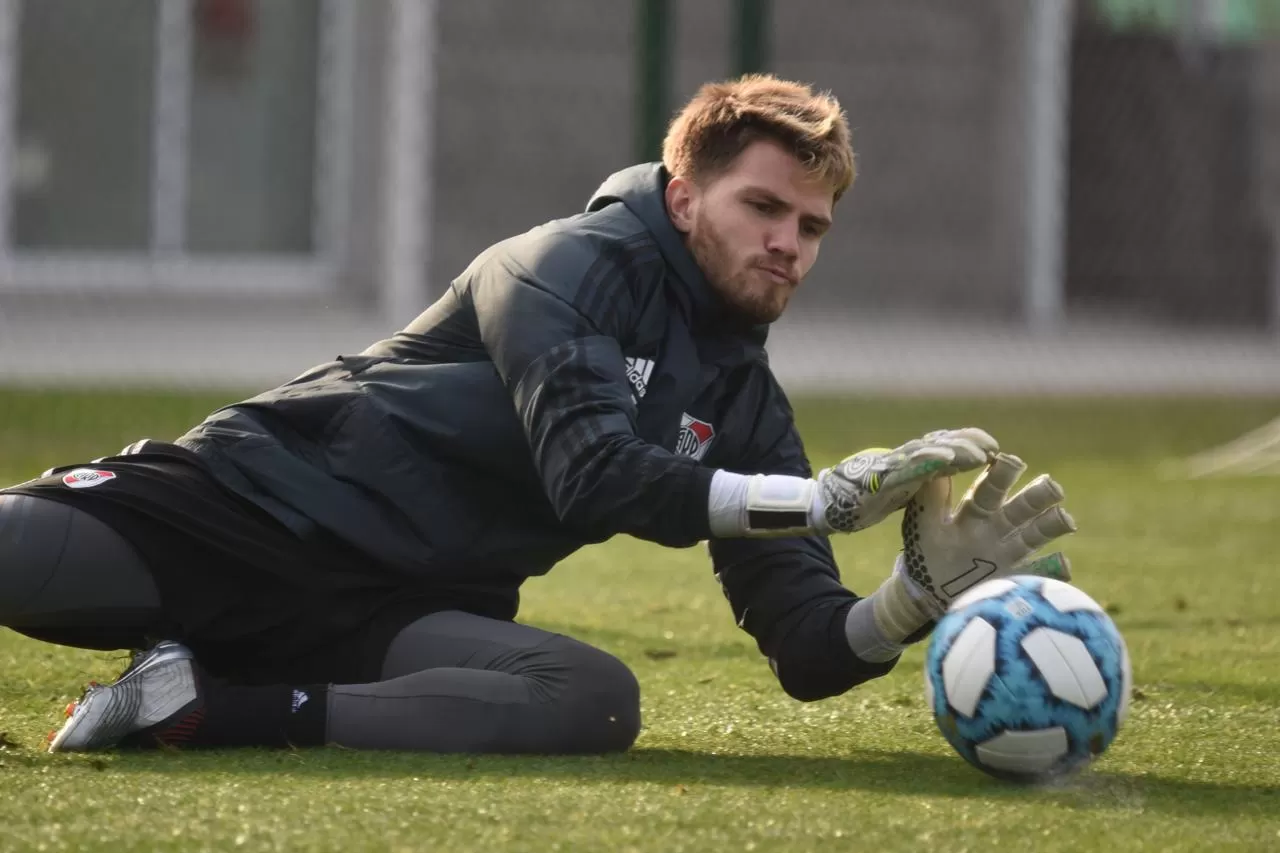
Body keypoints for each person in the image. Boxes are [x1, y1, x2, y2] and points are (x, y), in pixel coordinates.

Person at [0, 74, 1075, 755]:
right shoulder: (559, 264)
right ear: (683, 194)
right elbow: (592, 471)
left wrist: (904, 601)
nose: (788, 243)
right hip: (242, 511)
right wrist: (819, 500)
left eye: (811, 225)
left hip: (386, 612)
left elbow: (804, 646)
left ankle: (195, 704)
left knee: (589, 697)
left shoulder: (743, 398)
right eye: (762, 207)